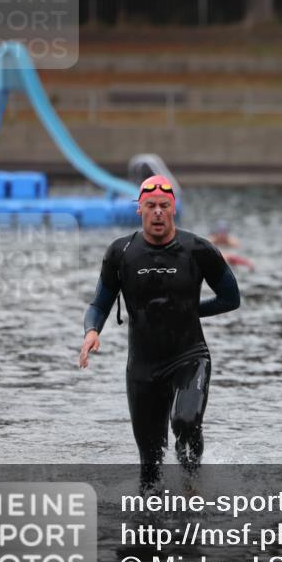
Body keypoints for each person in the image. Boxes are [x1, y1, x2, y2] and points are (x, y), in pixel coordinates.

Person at [79, 176, 240, 493]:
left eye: (164, 206)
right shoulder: (121, 252)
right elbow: (99, 303)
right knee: (149, 468)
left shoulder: (198, 250)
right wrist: (91, 331)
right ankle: (149, 529)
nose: (157, 212)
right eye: (150, 206)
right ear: (139, 208)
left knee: (185, 420)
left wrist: (188, 310)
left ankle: (193, 485)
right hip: (143, 368)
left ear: (173, 208)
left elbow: (230, 299)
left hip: (189, 356)